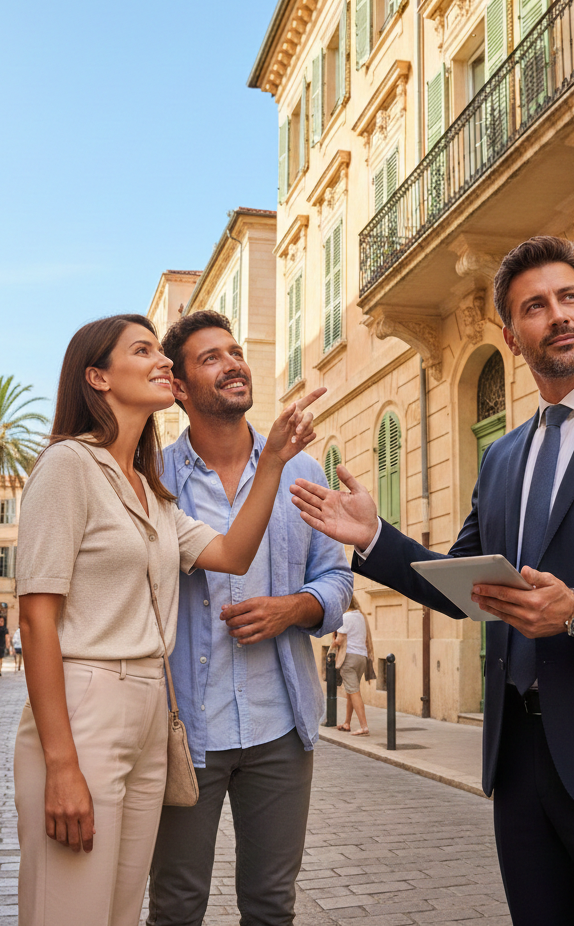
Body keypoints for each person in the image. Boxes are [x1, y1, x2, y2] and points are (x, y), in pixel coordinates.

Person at [292, 236, 574, 926]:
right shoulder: (503, 457)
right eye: (535, 306)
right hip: (520, 767)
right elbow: (462, 585)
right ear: (511, 335)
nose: (558, 315)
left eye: (570, 297)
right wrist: (374, 538)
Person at [13, 313, 323, 926]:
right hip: (88, 703)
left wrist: (272, 462)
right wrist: (62, 763)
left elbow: (231, 553)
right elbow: (34, 622)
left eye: (161, 351)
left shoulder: (150, 489)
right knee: (73, 909)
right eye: (143, 351)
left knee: (121, 911)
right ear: (97, 377)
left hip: (154, 717)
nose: (161, 361)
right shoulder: (68, 464)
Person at [147, 310, 352, 926]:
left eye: (235, 351)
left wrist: (293, 608)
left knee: (271, 907)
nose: (233, 363)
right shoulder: (154, 481)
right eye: (210, 358)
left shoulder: (301, 470)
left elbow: (336, 579)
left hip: (280, 726)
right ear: (178, 388)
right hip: (187, 733)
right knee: (176, 906)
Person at [329, 595, 371, 736]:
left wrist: (333, 642)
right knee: (351, 691)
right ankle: (347, 723)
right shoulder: (361, 616)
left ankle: (364, 727)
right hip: (361, 657)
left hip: (349, 658)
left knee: (354, 692)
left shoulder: (345, 618)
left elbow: (340, 640)